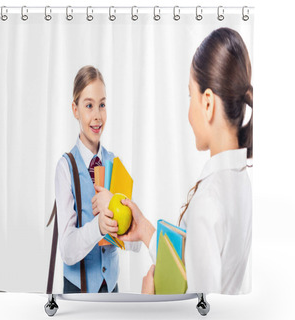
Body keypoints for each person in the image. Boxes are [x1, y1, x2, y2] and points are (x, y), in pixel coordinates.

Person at [93, 27, 253, 294]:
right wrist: (144, 230)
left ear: (208, 103)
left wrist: (149, 304)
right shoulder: (241, 181)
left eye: (191, 95)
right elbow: (194, 271)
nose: (189, 113)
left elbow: (199, 309)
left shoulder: (209, 201)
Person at [55, 65, 140, 294]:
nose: (97, 116)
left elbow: (134, 242)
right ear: (75, 109)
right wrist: (99, 227)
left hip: (112, 289)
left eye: (102, 105)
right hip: (77, 290)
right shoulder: (66, 168)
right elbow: (67, 250)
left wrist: (127, 226)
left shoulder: (115, 164)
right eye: (89, 105)